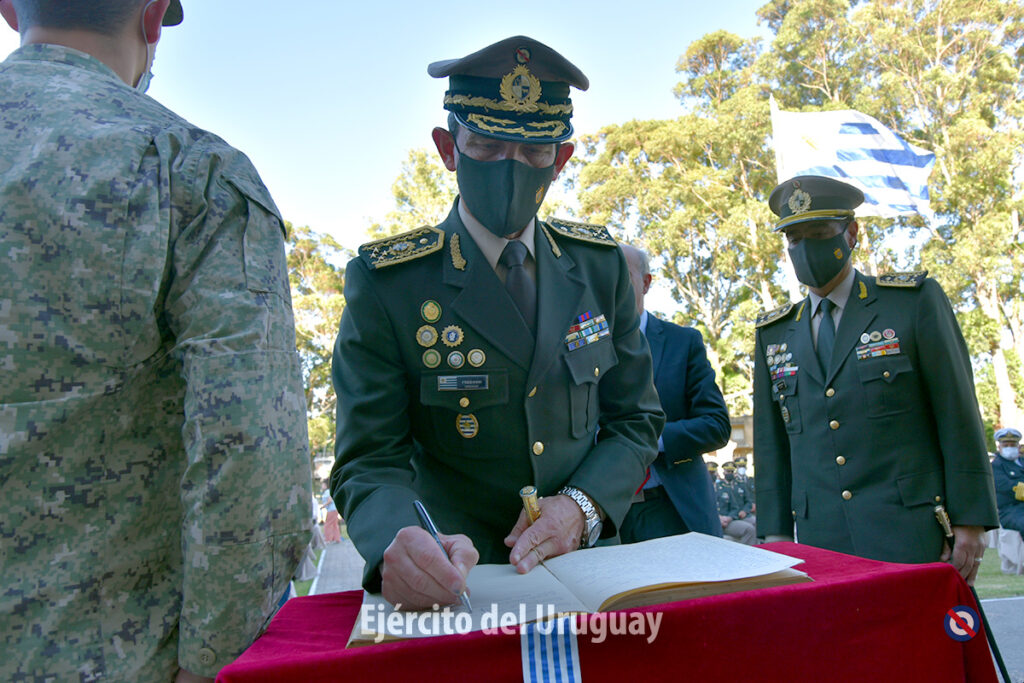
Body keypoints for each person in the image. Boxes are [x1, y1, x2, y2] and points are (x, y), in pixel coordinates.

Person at [0, 1, 312, 680]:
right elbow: (248, 452)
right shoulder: (193, 171)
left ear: (8, 9)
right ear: (151, 17)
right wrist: (216, 663)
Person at [330, 36, 664, 610]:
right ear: (448, 148)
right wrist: (397, 543)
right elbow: (368, 457)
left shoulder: (599, 266)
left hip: (587, 573)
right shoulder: (390, 283)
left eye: (534, 153)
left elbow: (635, 419)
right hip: (456, 585)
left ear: (561, 159)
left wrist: (581, 507)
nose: (511, 169)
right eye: (486, 145)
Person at [752, 175, 997, 583]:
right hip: (820, 540)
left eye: (819, 233)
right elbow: (771, 445)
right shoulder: (774, 333)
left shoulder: (911, 304)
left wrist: (970, 519)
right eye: (794, 238)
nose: (805, 248)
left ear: (851, 234)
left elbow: (957, 414)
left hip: (910, 532)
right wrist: (775, 533)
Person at [618, 244, 730, 541]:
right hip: (607, 521)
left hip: (675, 512)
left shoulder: (683, 342)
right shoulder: (581, 347)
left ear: (645, 283)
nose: (612, 283)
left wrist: (650, 438)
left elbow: (717, 425)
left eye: (622, 274)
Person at [991, 427, 1024, 534]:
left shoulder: (1022, 462)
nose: (1009, 448)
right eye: (1006, 445)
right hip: (1010, 510)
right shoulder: (996, 466)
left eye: (1012, 445)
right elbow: (1008, 486)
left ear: (1018, 446)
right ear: (999, 447)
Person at [715, 461, 757, 544]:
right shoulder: (720, 486)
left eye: (731, 471)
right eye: (728, 471)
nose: (730, 473)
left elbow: (744, 502)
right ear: (723, 472)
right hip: (721, 519)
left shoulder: (739, 484)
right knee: (749, 529)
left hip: (735, 516)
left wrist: (743, 511)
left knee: (755, 523)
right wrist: (720, 517)